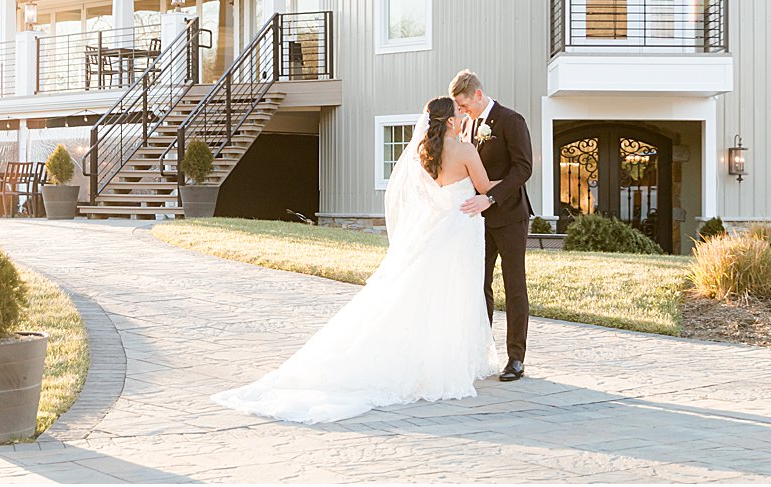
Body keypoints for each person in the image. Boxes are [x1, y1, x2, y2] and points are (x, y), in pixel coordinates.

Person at [211, 96, 504, 423]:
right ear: (450, 121)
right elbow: (485, 187)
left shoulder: (424, 153)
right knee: (456, 293)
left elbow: (427, 197)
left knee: (425, 294)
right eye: (460, 113)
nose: (464, 117)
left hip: (435, 229)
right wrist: (511, 179)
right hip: (459, 231)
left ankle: (430, 357)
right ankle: (446, 362)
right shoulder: (465, 151)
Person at [450, 69, 533, 382]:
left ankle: (515, 358)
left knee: (514, 286)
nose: (462, 110)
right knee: (478, 284)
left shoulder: (511, 120)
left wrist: (491, 198)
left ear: (478, 95)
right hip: (476, 220)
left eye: (464, 104)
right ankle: (481, 352)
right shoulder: (468, 125)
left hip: (510, 216)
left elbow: (523, 168)